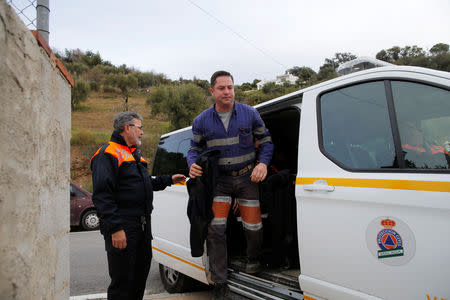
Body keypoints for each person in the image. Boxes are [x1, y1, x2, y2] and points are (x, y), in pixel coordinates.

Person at [187, 70, 274, 299]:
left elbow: (266, 142)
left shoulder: (250, 114)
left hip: (248, 178)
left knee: (253, 226)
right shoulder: (201, 121)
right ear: (212, 91)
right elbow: (193, 150)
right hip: (220, 182)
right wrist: (191, 164)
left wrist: (263, 164)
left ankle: (253, 259)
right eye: (222, 88)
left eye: (230, 87)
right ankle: (219, 281)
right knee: (215, 230)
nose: (227, 92)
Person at [90, 112, 185, 300]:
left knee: (139, 279)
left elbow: (144, 182)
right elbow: (102, 196)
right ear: (127, 128)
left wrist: (169, 180)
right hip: (124, 226)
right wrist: (116, 228)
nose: (142, 132)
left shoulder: (134, 154)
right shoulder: (107, 153)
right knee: (122, 282)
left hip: (142, 227)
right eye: (139, 127)